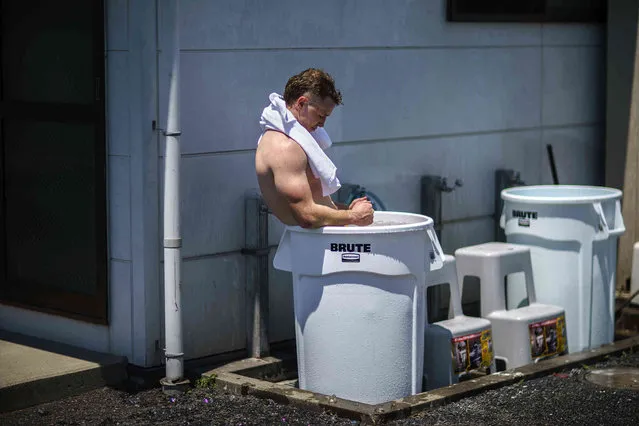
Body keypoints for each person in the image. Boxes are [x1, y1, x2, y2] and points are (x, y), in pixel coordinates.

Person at [255, 68, 374, 228]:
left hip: (313, 243)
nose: (322, 124)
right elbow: (306, 216)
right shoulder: (285, 147)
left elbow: (314, 204)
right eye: (320, 115)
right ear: (302, 103)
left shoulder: (292, 141)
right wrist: (353, 216)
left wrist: (345, 210)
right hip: (309, 246)